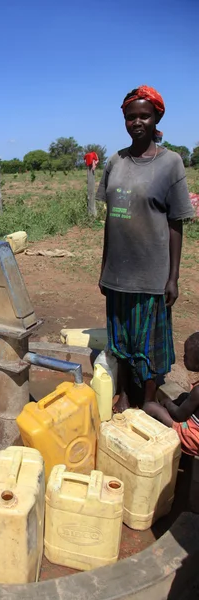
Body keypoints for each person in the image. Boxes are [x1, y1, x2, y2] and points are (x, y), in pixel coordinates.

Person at [97, 85, 194, 413]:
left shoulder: (171, 164)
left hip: (152, 272)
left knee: (150, 342)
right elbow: (111, 220)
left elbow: (176, 222)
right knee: (120, 339)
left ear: (156, 118)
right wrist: (104, 268)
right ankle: (125, 393)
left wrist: (173, 276)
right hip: (118, 273)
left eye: (144, 116)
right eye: (130, 116)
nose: (136, 122)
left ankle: (150, 398)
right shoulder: (114, 162)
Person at [145, 333, 199, 456]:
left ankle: (149, 444)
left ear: (197, 364)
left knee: (151, 407)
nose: (183, 356)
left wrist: (167, 403)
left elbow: (180, 416)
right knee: (184, 397)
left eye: (186, 356)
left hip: (194, 440)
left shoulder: (198, 392)